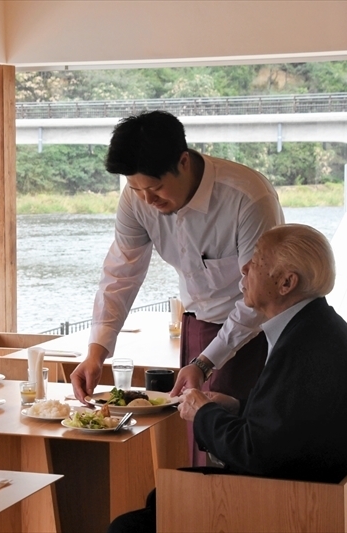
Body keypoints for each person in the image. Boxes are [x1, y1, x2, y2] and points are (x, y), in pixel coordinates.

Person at [107, 224, 347, 533]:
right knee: (158, 498)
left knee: (127, 527)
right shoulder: (317, 329)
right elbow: (290, 425)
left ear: (287, 282)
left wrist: (203, 412)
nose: (244, 268)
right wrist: (236, 406)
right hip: (301, 486)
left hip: (288, 503)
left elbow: (257, 451)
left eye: (256, 261)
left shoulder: (305, 347)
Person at [70, 110, 284, 462]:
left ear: (183, 162)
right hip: (197, 325)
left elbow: (261, 297)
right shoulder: (136, 199)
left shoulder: (247, 197)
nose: (147, 200)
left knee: (243, 450)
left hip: (255, 333)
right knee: (199, 445)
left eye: (154, 188)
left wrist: (204, 363)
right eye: (136, 189)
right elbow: (121, 274)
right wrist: (96, 352)